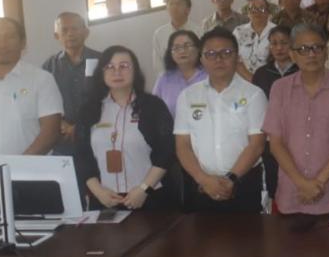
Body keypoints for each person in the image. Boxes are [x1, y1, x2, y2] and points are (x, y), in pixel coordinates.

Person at [263, 25, 329, 217]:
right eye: (303, 49)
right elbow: (275, 144)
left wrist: (318, 183)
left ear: (326, 53)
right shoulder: (279, 88)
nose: (311, 54)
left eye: (317, 48)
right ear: (292, 55)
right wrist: (303, 184)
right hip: (292, 192)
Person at [173, 28, 268, 213]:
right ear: (201, 59)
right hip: (201, 185)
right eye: (210, 54)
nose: (218, 59)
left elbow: (256, 145)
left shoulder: (254, 94)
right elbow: (182, 145)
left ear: (237, 57)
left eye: (226, 52)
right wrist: (204, 180)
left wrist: (230, 180)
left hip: (243, 183)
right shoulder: (187, 96)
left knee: (248, 232)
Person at [74, 46, 176, 211]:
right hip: (105, 199)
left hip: (149, 198)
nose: (117, 72)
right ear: (101, 72)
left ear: (135, 71)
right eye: (110, 67)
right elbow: (81, 154)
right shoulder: (89, 110)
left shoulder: (153, 106)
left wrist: (144, 189)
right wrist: (98, 192)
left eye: (124, 66)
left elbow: (167, 151)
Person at [0, 18, 63, 155]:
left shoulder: (42, 79)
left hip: (33, 166)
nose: (3, 44)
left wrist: (19, 164)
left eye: (10, 37)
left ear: (23, 42)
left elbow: (51, 132)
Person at [43, 12, 101, 155]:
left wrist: (81, 126)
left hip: (98, 132)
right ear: (56, 36)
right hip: (63, 138)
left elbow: (109, 97)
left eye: (75, 28)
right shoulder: (49, 66)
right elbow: (43, 102)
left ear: (86, 32)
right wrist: (60, 123)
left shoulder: (102, 60)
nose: (70, 34)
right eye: (64, 30)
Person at [252, 25, 296, 198]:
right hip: (271, 138)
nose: (279, 48)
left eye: (284, 43)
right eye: (274, 43)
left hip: (298, 135)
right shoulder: (261, 73)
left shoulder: (302, 70)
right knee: (274, 184)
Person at [153, 30, 207, 122]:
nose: (182, 51)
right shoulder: (164, 79)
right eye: (176, 48)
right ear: (170, 53)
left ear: (198, 49)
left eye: (187, 46)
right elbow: (154, 110)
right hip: (171, 130)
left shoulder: (209, 75)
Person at [150, 0, 200, 79]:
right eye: (171, 4)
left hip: (196, 79)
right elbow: (158, 65)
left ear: (188, 10)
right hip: (170, 80)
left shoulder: (198, 31)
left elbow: (202, 60)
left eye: (178, 4)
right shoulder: (159, 34)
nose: (174, 7)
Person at [234, 0, 276, 74]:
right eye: (253, 9)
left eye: (261, 9)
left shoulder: (276, 31)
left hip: (269, 76)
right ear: (248, 13)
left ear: (268, 12)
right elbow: (233, 56)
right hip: (241, 75)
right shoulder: (238, 31)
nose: (257, 12)